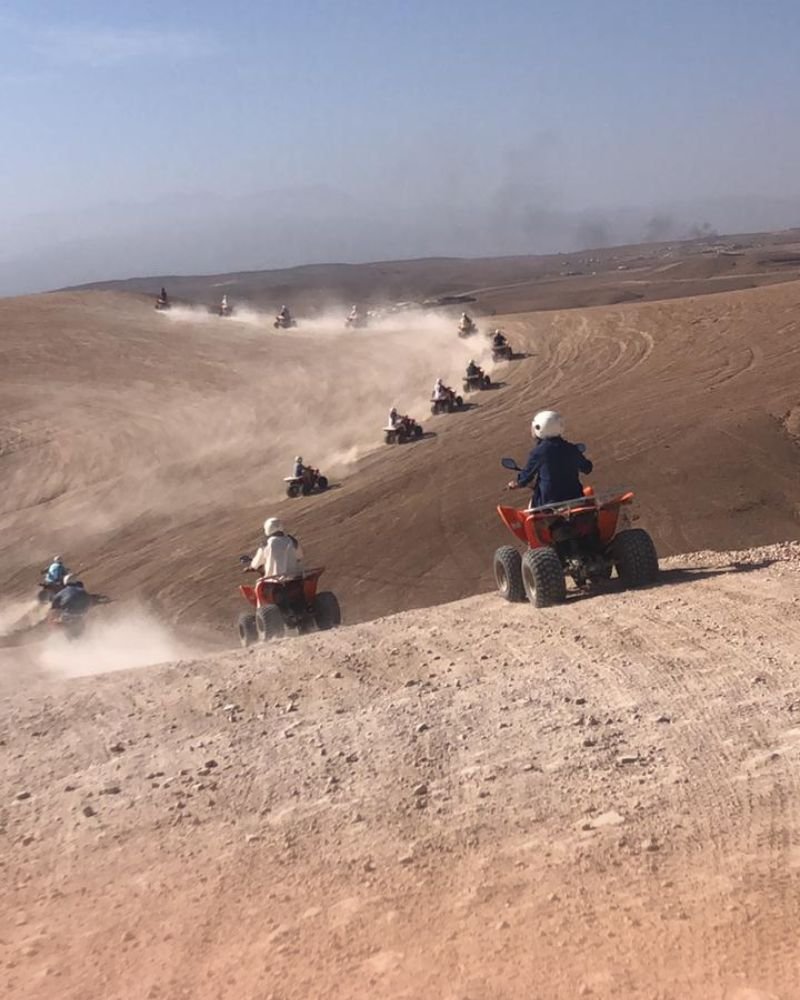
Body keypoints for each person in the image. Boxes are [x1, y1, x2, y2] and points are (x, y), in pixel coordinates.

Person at [508, 410, 593, 507]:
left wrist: (517, 483)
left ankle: (534, 515)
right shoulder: (571, 448)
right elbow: (587, 468)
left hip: (549, 503)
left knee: (535, 501)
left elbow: (525, 477)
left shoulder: (538, 452)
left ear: (538, 428)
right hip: (576, 498)